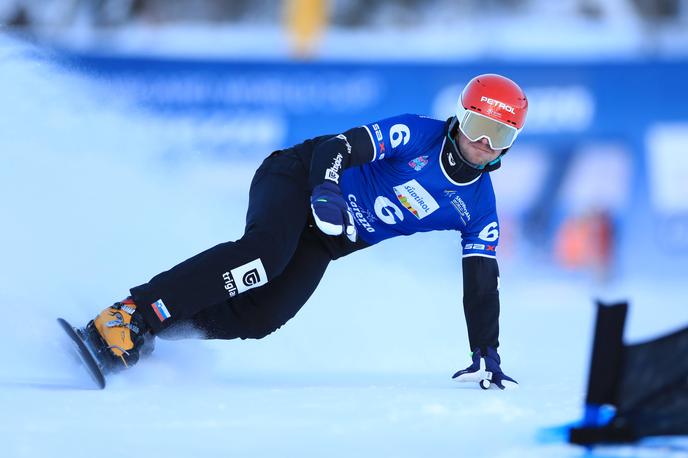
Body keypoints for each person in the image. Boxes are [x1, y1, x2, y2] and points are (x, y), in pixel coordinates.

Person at [85, 73, 528, 389]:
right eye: (478, 127)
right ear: (458, 119)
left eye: (499, 135)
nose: (483, 145)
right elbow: (338, 146)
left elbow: (482, 284)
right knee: (263, 257)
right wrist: (327, 190)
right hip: (298, 179)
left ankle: (150, 332)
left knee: (262, 316)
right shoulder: (416, 134)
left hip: (326, 238)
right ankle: (130, 313)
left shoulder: (479, 208)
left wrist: (485, 349)